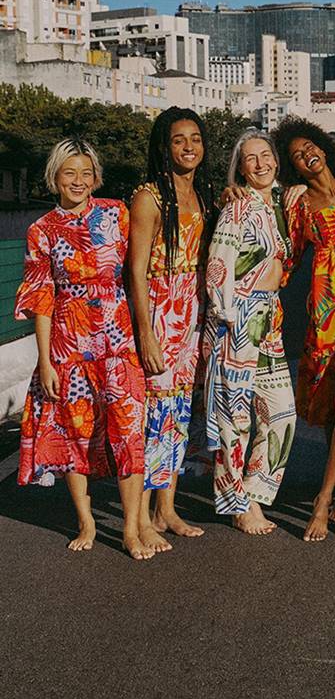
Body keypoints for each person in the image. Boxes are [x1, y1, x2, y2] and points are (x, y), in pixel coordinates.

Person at [15, 139, 151, 559]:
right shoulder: (41, 230)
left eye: (86, 173)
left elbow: (143, 263)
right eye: (69, 173)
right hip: (69, 346)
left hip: (118, 342)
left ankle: (130, 529)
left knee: (129, 432)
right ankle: (87, 521)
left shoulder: (116, 213)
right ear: (55, 176)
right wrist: (45, 360)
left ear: (97, 178)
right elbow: (41, 298)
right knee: (75, 434)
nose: (78, 181)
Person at [272, 117, 335, 542]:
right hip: (329, 307)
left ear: (323, 146)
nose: (306, 155)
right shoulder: (297, 204)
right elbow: (287, 256)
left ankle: (323, 495)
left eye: (309, 146)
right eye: (296, 155)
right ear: (293, 167)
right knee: (333, 398)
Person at [203, 129, 297, 535]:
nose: (260, 164)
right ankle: (236, 503)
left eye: (266, 156)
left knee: (280, 413)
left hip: (269, 319)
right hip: (237, 318)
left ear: (276, 160)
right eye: (250, 158)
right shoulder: (237, 207)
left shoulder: (277, 202)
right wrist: (226, 318)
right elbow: (218, 266)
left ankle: (255, 493)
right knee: (235, 416)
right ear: (239, 168)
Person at [129, 108, 214, 552]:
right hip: (162, 311)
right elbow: (136, 271)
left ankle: (167, 508)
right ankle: (139, 516)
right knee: (154, 415)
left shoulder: (201, 193)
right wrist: (145, 332)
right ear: (164, 145)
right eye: (179, 139)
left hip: (193, 311)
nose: (188, 147)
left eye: (196, 139)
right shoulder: (149, 196)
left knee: (180, 413)